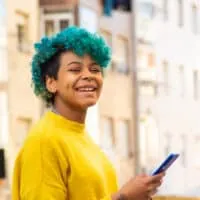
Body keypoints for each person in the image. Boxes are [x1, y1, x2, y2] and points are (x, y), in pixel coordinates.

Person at [12, 26, 164, 200]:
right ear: (51, 83)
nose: (88, 76)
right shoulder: (44, 142)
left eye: (95, 69)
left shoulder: (82, 138)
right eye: (75, 69)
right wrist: (124, 197)